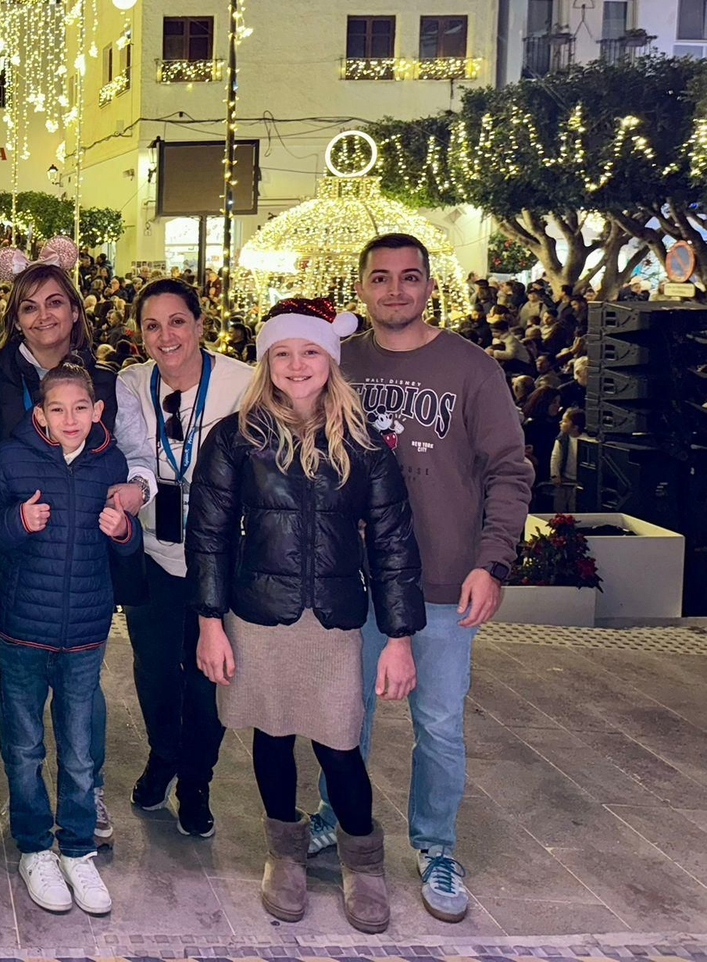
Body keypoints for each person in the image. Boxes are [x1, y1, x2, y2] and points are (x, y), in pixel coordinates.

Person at [308, 234, 533, 923]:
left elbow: (509, 470)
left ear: (431, 286)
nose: (396, 290)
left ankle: (435, 845)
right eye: (381, 278)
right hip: (355, 580)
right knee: (346, 715)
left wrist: (491, 561)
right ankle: (336, 814)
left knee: (436, 722)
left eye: (409, 278)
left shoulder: (471, 368)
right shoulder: (340, 362)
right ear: (362, 289)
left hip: (440, 581)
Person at [187, 297, 423, 934]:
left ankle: (363, 860)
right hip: (259, 615)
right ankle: (284, 852)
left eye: (310, 351)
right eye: (283, 353)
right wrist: (210, 621)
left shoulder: (363, 441)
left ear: (331, 359)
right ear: (267, 361)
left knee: (341, 744)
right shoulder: (236, 437)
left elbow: (395, 540)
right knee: (271, 735)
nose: (296, 365)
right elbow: (206, 534)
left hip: (334, 621)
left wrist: (399, 636)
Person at [0, 258, 153, 847]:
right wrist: (0, 525)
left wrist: (132, 503)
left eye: (54, 302)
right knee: (23, 703)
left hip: (84, 573)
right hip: (23, 568)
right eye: (28, 306)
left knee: (83, 699)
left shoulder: (109, 381)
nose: (43, 316)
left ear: (75, 312)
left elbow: (134, 462)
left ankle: (88, 795)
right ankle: (30, 814)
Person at [0, 363, 142, 917]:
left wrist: (124, 532)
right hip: (21, 624)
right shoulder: (9, 457)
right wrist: (17, 523)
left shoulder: (111, 463)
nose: (69, 419)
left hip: (86, 627)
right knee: (24, 745)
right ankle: (33, 846)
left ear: (97, 411)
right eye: (57, 409)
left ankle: (76, 847)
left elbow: (126, 544)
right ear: (39, 414)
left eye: (81, 408)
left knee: (78, 752)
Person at [111, 278, 250, 834]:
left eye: (176, 321)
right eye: (151, 325)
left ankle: (196, 778)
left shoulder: (243, 383)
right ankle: (163, 754)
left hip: (220, 555)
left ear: (199, 322)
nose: (165, 336)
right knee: (154, 670)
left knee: (206, 673)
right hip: (151, 551)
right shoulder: (128, 384)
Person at [550, 407, 585, 512]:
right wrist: (555, 475)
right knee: (560, 506)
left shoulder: (586, 439)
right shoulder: (562, 439)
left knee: (574, 507)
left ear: (575, 427)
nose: (561, 423)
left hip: (579, 481)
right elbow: (555, 457)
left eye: (565, 421)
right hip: (564, 479)